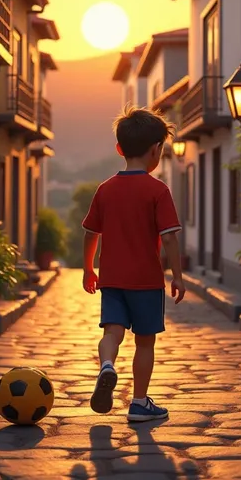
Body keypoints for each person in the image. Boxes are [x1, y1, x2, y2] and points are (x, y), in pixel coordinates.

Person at [82, 104, 186, 422]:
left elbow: (90, 233)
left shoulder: (105, 190)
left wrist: (89, 268)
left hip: (111, 279)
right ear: (157, 150)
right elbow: (169, 238)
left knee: (112, 332)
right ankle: (139, 402)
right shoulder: (158, 190)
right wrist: (178, 276)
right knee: (144, 342)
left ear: (119, 148)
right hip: (146, 281)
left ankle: (106, 365)